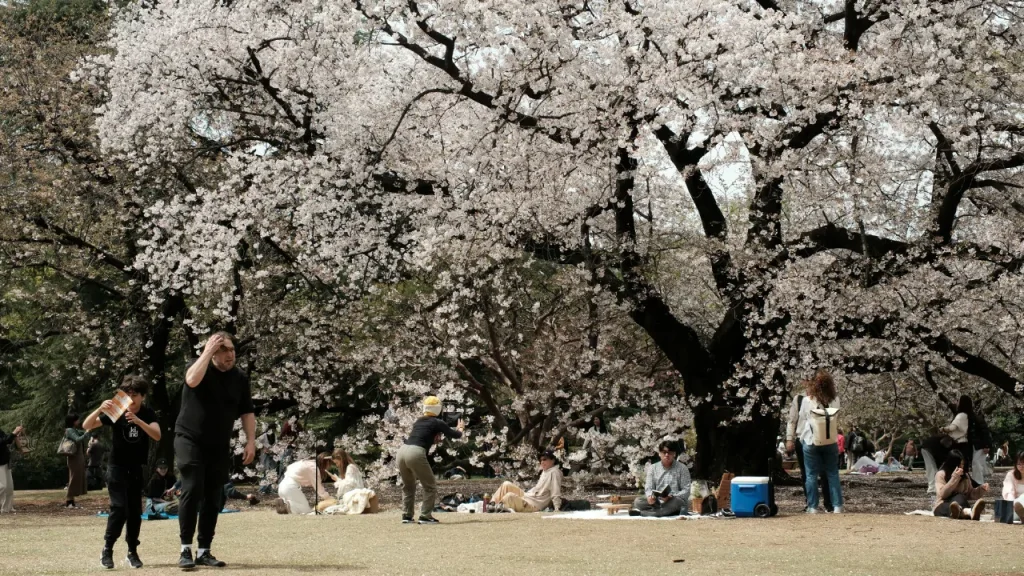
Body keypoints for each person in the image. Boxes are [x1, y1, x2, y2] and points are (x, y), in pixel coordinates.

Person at [175, 331, 256, 569]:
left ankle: (204, 550)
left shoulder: (239, 378)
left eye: (232, 349)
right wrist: (207, 352)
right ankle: (185, 550)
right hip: (189, 438)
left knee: (214, 494)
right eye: (224, 350)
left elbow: (247, 411)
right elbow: (191, 380)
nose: (230, 354)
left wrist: (251, 440)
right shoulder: (197, 366)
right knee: (192, 486)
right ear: (212, 351)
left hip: (218, 444)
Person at [83, 375, 162, 569]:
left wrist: (138, 421)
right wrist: (99, 409)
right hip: (116, 466)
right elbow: (87, 426)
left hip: (137, 467)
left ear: (143, 396)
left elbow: (157, 435)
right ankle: (107, 549)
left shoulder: (147, 412)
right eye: (128, 393)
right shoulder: (116, 410)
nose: (131, 397)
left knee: (135, 511)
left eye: (136, 394)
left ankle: (132, 552)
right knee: (119, 508)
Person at [396, 396, 464, 524]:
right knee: (430, 486)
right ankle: (425, 516)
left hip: (402, 451)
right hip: (415, 452)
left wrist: (433, 439)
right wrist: (460, 428)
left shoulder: (418, 421)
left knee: (408, 486)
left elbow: (422, 436)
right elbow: (456, 435)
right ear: (438, 409)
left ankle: (406, 516)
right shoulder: (437, 422)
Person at [796, 369, 844, 514]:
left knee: (811, 475)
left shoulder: (807, 400)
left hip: (811, 441)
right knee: (832, 473)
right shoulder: (835, 400)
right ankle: (837, 506)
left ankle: (813, 506)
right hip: (830, 440)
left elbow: (803, 417)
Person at [786, 379, 834, 513]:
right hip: (802, 438)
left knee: (824, 472)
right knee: (806, 473)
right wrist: (789, 439)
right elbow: (792, 420)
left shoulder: (826, 397)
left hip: (822, 438)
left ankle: (829, 503)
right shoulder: (799, 399)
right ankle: (810, 502)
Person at [630, 441, 691, 517]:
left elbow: (686, 490)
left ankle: (644, 513)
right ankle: (667, 511)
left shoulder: (682, 468)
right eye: (664, 452)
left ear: (674, 454)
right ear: (659, 453)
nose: (667, 455)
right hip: (658, 500)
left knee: (677, 502)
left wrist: (671, 496)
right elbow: (649, 487)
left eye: (669, 452)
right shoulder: (653, 468)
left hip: (674, 500)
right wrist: (650, 497)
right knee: (638, 501)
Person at [490, 451, 564, 512]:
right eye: (541, 460)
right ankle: (492, 504)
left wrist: (557, 508)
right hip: (528, 496)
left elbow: (555, 491)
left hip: (533, 505)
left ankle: (497, 508)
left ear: (553, 460)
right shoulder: (545, 471)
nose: (542, 462)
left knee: (509, 496)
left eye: (545, 459)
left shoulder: (554, 472)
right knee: (506, 484)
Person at [933, 449, 988, 519]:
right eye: (960, 464)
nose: (962, 467)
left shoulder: (965, 476)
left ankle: (961, 512)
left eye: (962, 464)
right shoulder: (941, 474)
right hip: (943, 503)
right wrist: (954, 478)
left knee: (959, 497)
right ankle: (968, 512)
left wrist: (981, 489)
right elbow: (942, 494)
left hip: (960, 502)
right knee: (944, 507)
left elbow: (970, 493)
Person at [63, 413, 92, 508]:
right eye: (77, 420)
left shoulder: (74, 430)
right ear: (73, 421)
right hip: (74, 458)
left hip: (78, 457)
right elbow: (78, 439)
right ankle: (68, 501)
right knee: (73, 478)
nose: (79, 422)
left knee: (75, 478)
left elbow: (82, 434)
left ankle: (71, 501)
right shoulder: (69, 430)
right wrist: (87, 433)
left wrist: (88, 431)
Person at [941, 395, 975, 474]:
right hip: (965, 442)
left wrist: (943, 429)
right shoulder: (969, 415)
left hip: (959, 443)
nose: (956, 403)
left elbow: (952, 428)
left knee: (957, 465)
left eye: (958, 401)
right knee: (964, 465)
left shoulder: (961, 415)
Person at [0, 424, 25, 514]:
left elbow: (7, 440)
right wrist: (13, 432)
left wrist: (15, 434)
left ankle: (7, 508)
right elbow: (2, 441)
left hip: (5, 461)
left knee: (9, 488)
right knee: (2, 486)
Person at [1000, 451, 1024, 522]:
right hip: (1014, 507)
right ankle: (1022, 514)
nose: (1021, 466)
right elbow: (1009, 492)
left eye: (1023, 464)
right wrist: (1012, 505)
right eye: (1019, 464)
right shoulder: (1011, 475)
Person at [256, 422, 278, 495]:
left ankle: (270, 489)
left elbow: (277, 444)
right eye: (273, 429)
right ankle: (262, 489)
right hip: (264, 455)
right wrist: (263, 447)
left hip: (272, 455)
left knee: (272, 471)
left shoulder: (275, 436)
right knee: (265, 470)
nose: (273, 431)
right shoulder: (264, 435)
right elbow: (256, 442)